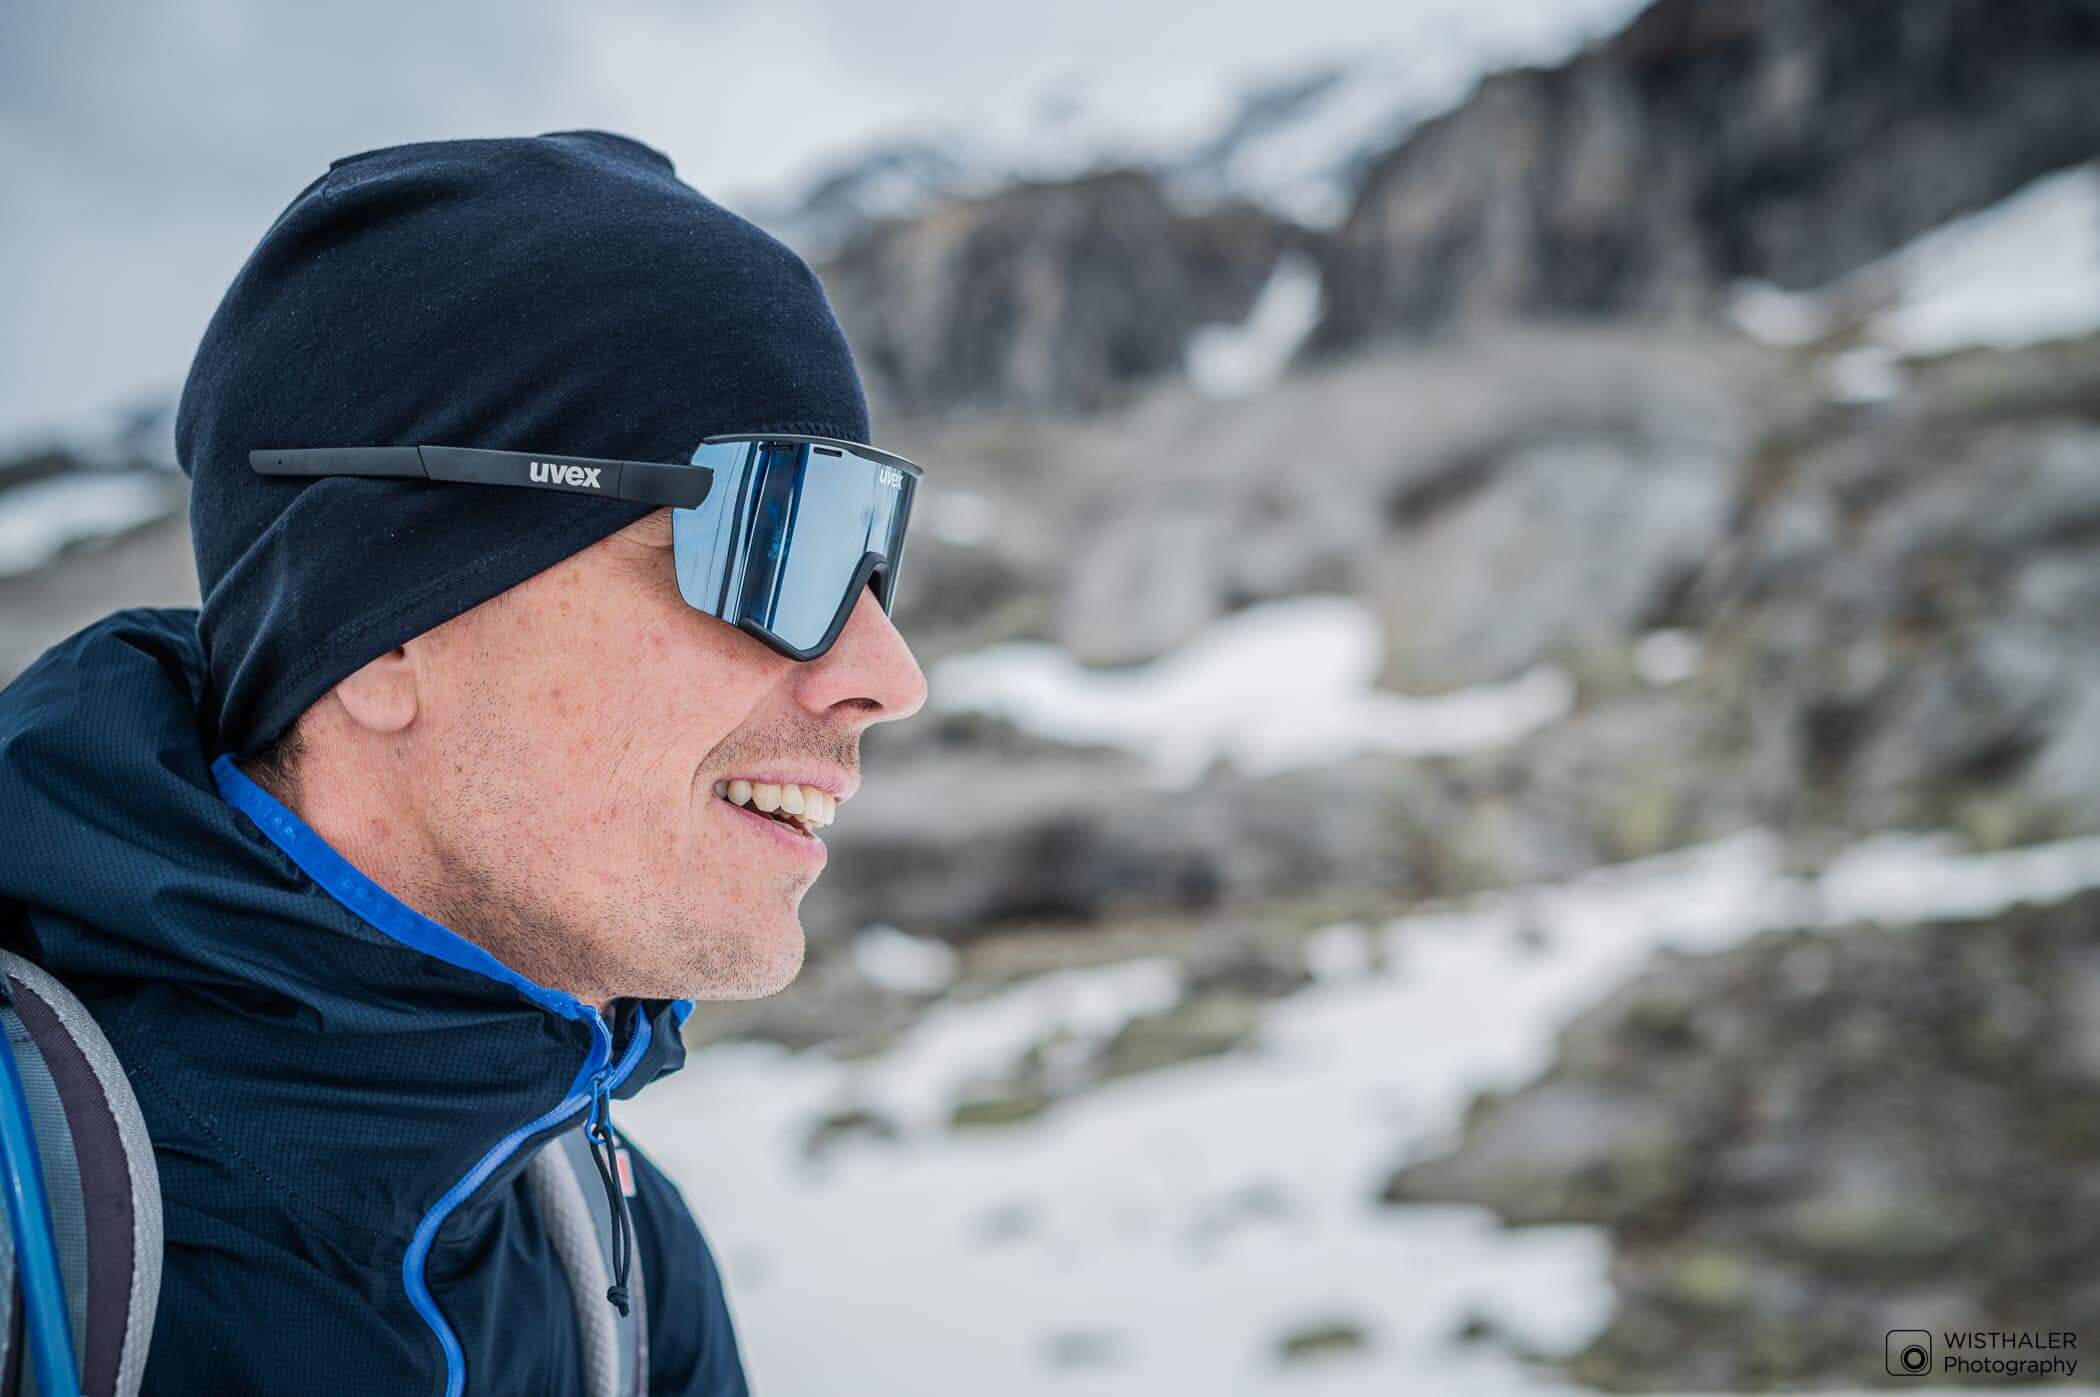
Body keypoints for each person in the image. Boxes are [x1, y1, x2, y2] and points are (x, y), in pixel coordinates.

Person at [0, 129, 927, 1393]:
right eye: (776, 537)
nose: (889, 670)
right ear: (384, 626)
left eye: (871, 547)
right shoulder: (31, 1228)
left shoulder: (620, 1269)